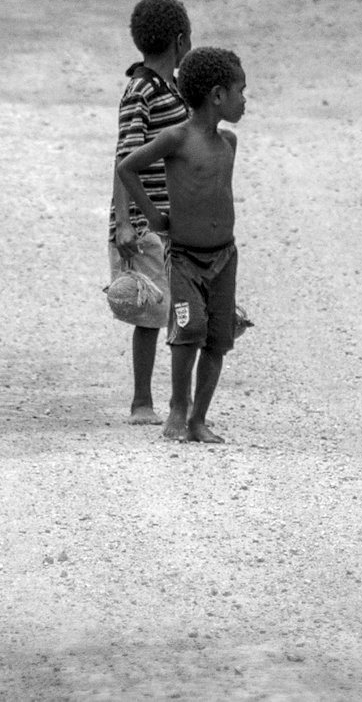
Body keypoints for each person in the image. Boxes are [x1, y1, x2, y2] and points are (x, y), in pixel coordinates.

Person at [115, 47, 247, 443]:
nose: (245, 100)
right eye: (241, 90)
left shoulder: (229, 143)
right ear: (217, 95)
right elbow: (127, 167)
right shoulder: (176, 138)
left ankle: (199, 419)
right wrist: (153, 218)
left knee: (219, 339)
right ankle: (178, 407)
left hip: (224, 257)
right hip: (187, 259)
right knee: (188, 332)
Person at [107, 0, 192, 424]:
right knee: (149, 312)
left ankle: (180, 402)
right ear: (180, 41)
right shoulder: (140, 89)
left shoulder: (172, 88)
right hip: (143, 221)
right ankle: (142, 401)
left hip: (172, 218)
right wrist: (125, 222)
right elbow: (125, 155)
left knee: (177, 307)